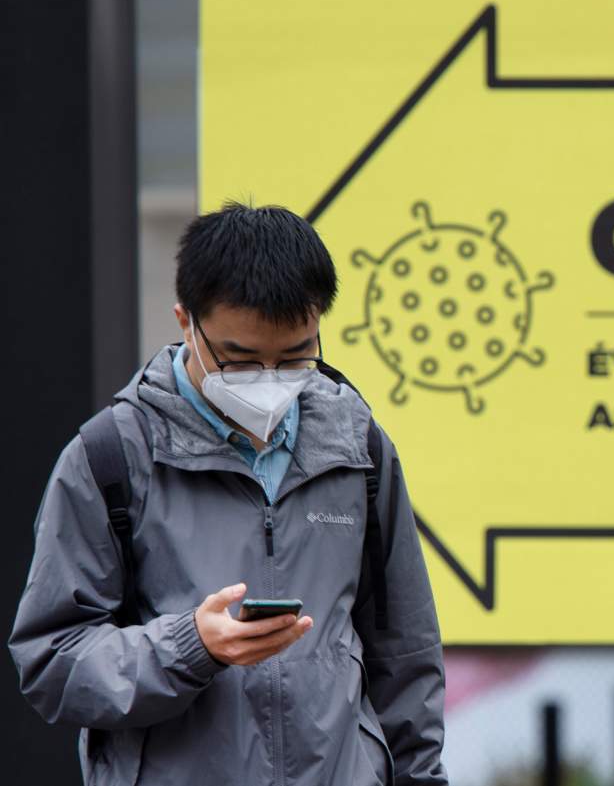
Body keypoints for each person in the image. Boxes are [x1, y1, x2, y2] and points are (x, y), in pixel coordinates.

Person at [8, 202, 447, 785]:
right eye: (239, 361)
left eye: (295, 357)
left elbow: (406, 651)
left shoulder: (357, 445)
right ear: (186, 321)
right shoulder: (110, 455)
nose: (269, 379)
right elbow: (53, 660)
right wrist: (191, 646)